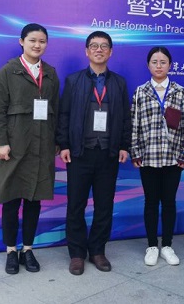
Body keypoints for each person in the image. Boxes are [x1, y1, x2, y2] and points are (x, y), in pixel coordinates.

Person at [56, 31, 131, 275]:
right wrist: (64, 145)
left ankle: (98, 250)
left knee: (104, 206)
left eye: (104, 46)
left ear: (110, 52)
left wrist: (124, 145)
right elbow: (64, 115)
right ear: (87, 51)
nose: (99, 50)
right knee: (75, 205)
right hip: (80, 153)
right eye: (94, 46)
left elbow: (126, 118)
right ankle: (77, 253)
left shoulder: (119, 83)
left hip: (108, 154)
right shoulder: (73, 81)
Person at [0, 23, 60, 274]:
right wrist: (1, 142)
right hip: (14, 148)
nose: (37, 45)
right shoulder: (8, 71)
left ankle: (28, 249)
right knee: (11, 201)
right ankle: (11, 250)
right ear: (22, 42)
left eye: (42, 41)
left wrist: (56, 141)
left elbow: (56, 111)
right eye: (32, 40)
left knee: (34, 201)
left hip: (41, 148)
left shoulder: (50, 73)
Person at [130, 47, 184, 266]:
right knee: (150, 202)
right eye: (154, 62)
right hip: (148, 157)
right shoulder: (140, 92)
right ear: (148, 65)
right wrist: (135, 151)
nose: (159, 66)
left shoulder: (179, 91)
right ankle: (151, 246)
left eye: (163, 62)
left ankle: (167, 245)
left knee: (169, 202)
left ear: (170, 65)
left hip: (173, 158)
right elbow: (134, 124)